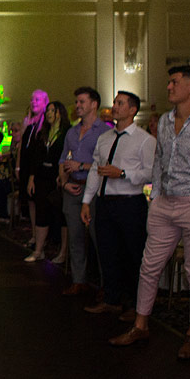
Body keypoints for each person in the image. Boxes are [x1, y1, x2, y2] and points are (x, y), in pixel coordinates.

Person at [110, 65, 190, 359]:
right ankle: (140, 325)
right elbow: (159, 160)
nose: (168, 87)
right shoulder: (165, 122)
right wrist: (155, 195)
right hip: (165, 203)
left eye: (174, 82)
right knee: (149, 266)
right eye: (168, 81)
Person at [81, 91, 157, 318]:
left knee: (133, 255)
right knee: (108, 253)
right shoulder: (105, 138)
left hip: (130, 203)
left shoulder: (145, 140)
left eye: (120, 103)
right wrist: (87, 201)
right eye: (114, 102)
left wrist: (123, 173)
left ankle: (136, 305)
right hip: (105, 203)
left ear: (132, 110)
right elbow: (95, 170)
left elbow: (151, 172)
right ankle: (112, 299)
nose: (114, 106)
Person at [58, 87, 112, 297]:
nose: (77, 106)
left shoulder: (105, 132)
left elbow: (107, 165)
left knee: (99, 239)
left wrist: (81, 166)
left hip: (95, 191)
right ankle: (79, 281)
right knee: (76, 238)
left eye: (81, 102)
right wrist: (64, 183)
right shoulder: (71, 132)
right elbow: (63, 160)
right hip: (72, 189)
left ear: (94, 104)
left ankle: (106, 285)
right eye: (76, 102)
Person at [26, 100, 68, 263]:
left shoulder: (66, 133)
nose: (49, 113)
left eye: (53, 110)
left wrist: (63, 175)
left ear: (60, 113)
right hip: (42, 177)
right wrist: (31, 178)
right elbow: (35, 158)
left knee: (60, 215)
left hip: (57, 178)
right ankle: (38, 250)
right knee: (41, 212)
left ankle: (63, 252)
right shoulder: (42, 133)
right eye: (48, 111)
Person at [17, 90, 50, 233]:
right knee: (30, 201)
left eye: (37, 100)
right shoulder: (28, 123)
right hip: (25, 166)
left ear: (44, 103)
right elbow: (21, 147)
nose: (33, 102)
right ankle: (34, 234)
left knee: (38, 202)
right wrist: (18, 166)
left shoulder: (46, 124)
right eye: (32, 99)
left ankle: (40, 236)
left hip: (37, 168)